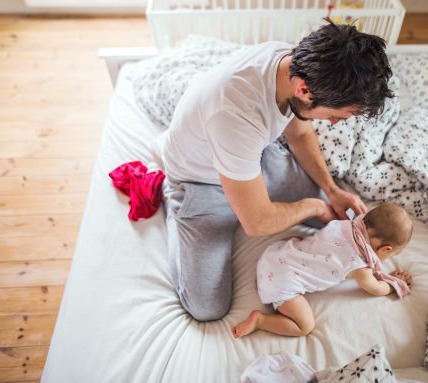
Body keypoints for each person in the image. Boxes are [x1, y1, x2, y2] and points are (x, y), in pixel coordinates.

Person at [161, 19, 394, 322]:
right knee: (206, 307)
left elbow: (298, 134)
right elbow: (256, 224)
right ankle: (174, 206)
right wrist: (315, 206)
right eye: (335, 116)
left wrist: (333, 192)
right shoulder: (235, 113)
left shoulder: (296, 62)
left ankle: (279, 194)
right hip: (198, 181)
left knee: (331, 208)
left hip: (252, 156)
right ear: (304, 90)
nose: (335, 123)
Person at [231, 204, 414, 338]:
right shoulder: (360, 266)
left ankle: (264, 279)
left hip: (273, 255)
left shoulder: (342, 225)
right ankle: (261, 321)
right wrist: (393, 284)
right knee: (305, 326)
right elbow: (375, 288)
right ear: (384, 249)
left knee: (301, 240)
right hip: (280, 282)